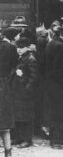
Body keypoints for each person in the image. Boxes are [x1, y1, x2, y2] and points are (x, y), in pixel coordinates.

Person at [12, 37, 38, 148]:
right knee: (19, 115)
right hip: (19, 91)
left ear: (27, 48)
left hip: (26, 93)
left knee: (26, 116)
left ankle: (27, 139)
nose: (19, 49)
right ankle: (19, 138)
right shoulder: (21, 58)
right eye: (18, 47)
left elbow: (34, 77)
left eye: (21, 47)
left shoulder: (31, 59)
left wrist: (27, 89)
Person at [0, 29, 18, 157]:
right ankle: (8, 151)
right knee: (5, 121)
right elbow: (14, 66)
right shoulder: (11, 47)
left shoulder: (9, 47)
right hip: (4, 85)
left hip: (4, 84)